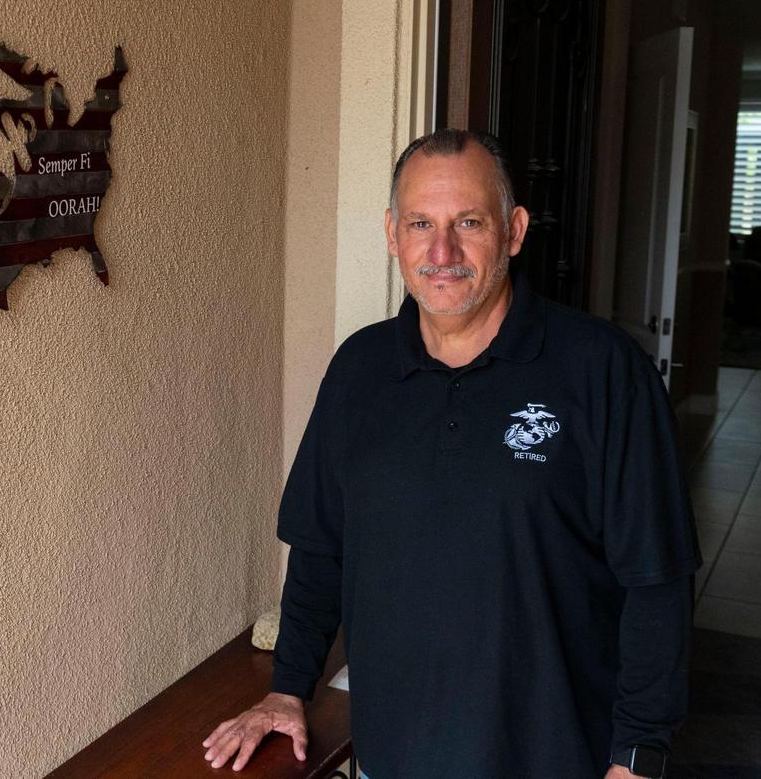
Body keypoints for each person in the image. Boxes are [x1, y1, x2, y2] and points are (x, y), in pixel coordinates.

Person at [203, 128, 700, 778]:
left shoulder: (603, 371)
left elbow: (657, 580)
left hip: (557, 759)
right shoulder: (359, 371)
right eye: (420, 223)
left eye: (468, 221)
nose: (442, 250)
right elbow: (320, 548)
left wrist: (637, 757)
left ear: (514, 231)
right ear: (391, 234)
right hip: (393, 758)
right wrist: (286, 688)